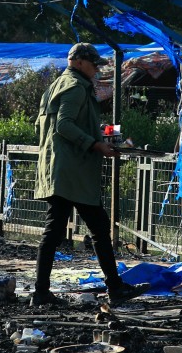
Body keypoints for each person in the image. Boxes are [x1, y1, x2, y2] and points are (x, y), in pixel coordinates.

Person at [32, 42, 150, 307]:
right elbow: (63, 125)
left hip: (63, 170)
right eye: (94, 64)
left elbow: (62, 125)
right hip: (72, 173)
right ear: (80, 61)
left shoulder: (57, 85)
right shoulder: (75, 86)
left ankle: (42, 292)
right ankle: (113, 288)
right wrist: (96, 144)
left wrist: (98, 135)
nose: (97, 70)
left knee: (62, 231)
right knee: (91, 230)